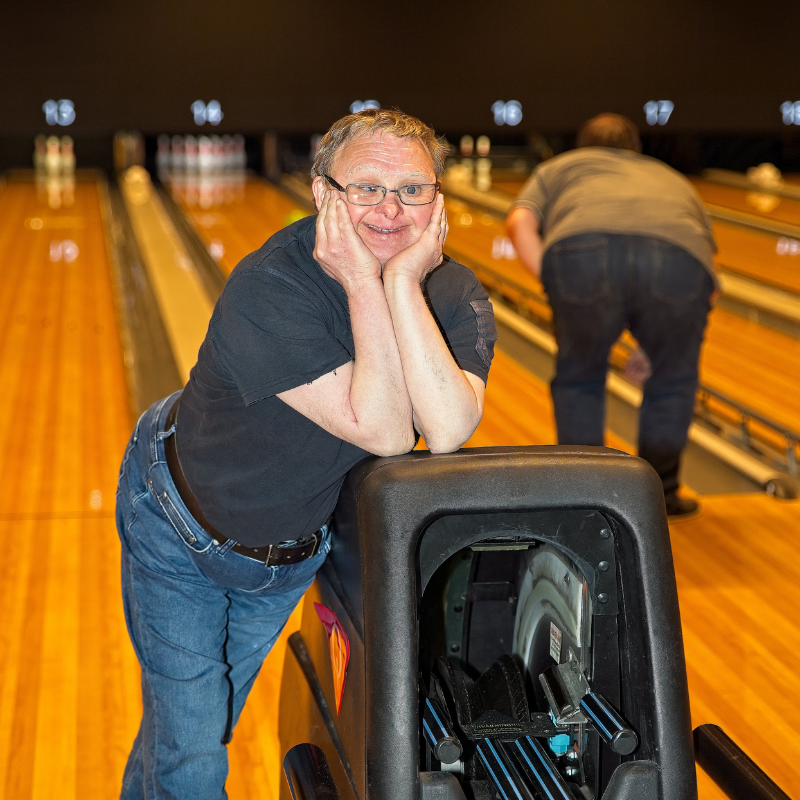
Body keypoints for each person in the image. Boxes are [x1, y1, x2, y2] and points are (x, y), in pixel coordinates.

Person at [116, 108, 496, 798]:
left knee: (190, 728)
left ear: (439, 199)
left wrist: (403, 282)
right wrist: (360, 282)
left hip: (287, 557)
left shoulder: (451, 287)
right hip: (178, 527)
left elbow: (446, 428)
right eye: (366, 188)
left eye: (413, 189)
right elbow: (381, 430)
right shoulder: (270, 285)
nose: (391, 208)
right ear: (323, 193)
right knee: (194, 755)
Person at [506, 113, 717, 519]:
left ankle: (586, 492)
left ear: (583, 146)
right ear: (636, 149)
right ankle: (660, 496)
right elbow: (711, 273)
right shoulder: (669, 175)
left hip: (580, 252)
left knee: (580, 377)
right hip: (681, 260)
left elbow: (520, 222)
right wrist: (656, 347)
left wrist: (554, 282)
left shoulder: (558, 167)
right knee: (673, 380)